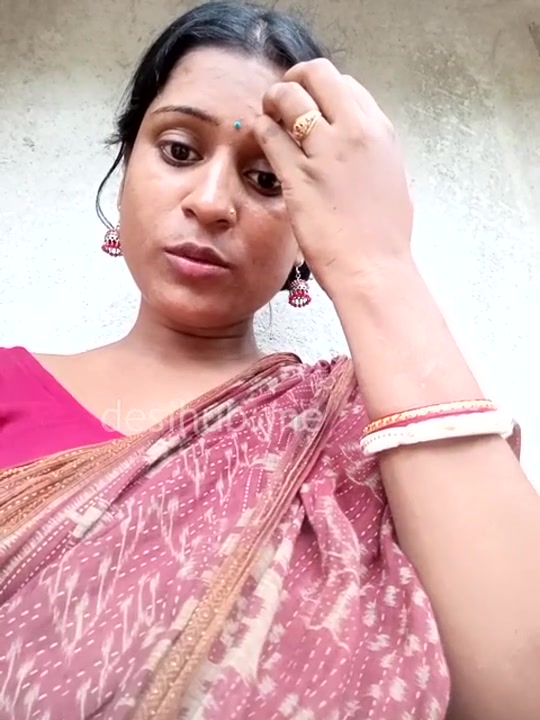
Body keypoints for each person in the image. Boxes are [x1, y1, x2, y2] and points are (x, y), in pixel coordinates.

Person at [0, 1, 538, 718]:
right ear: (125, 166)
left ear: (307, 235)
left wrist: (377, 264)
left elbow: (521, 688)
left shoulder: (366, 435)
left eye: (266, 180)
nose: (212, 202)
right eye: (179, 151)